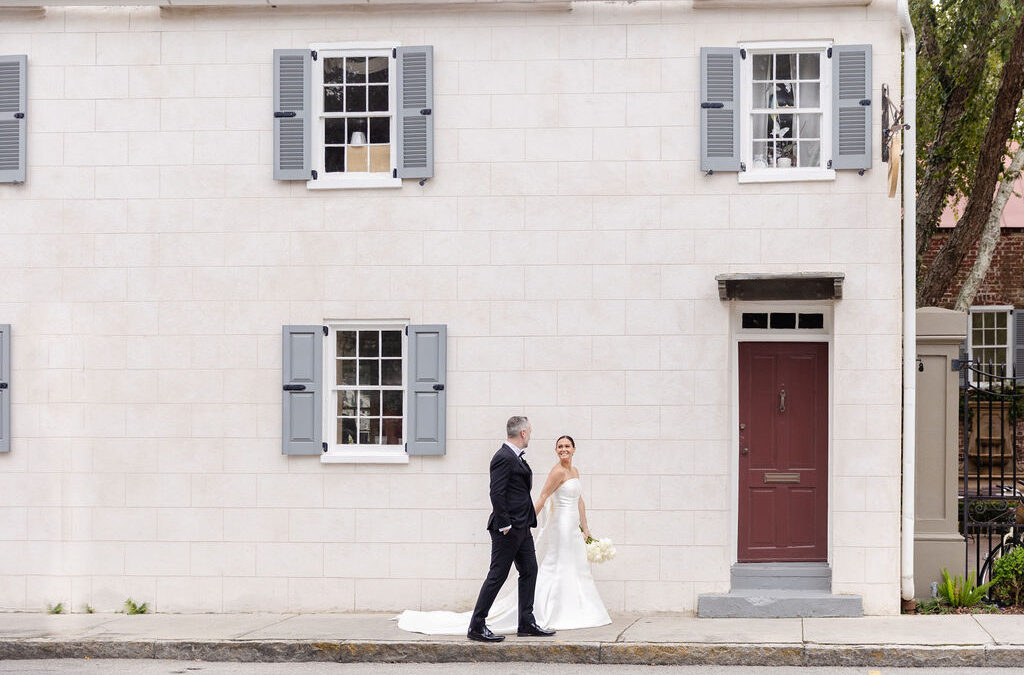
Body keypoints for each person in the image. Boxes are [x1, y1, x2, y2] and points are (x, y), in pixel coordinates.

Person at [395, 430, 610, 636]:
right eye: (560, 446)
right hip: (519, 528)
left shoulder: (566, 469)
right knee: (498, 574)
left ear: (574, 449)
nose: (563, 449)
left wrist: (585, 527)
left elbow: (577, 500)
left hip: (533, 527)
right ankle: (477, 624)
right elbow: (512, 494)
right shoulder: (507, 458)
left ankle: (526, 623)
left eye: (567, 446)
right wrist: (514, 523)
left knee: (530, 570)